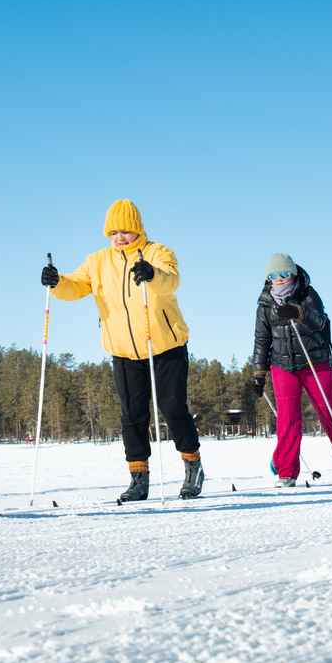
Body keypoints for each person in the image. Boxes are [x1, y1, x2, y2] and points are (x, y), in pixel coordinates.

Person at [41, 199, 204, 501]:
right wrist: (57, 282)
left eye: (125, 231)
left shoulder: (157, 253)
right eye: (113, 231)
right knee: (132, 415)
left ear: (137, 229)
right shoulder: (98, 261)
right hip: (124, 352)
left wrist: (152, 274)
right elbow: (75, 286)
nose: (119, 237)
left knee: (173, 409)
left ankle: (192, 466)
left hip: (166, 347)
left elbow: (171, 280)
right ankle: (138, 477)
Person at [250, 254, 332, 485]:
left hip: (315, 362)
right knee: (288, 419)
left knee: (327, 412)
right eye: (273, 276)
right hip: (282, 365)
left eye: (283, 274)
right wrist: (258, 373)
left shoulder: (308, 294)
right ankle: (287, 472)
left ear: (292, 274)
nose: (278, 280)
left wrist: (299, 313)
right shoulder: (264, 303)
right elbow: (262, 339)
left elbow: (319, 322)